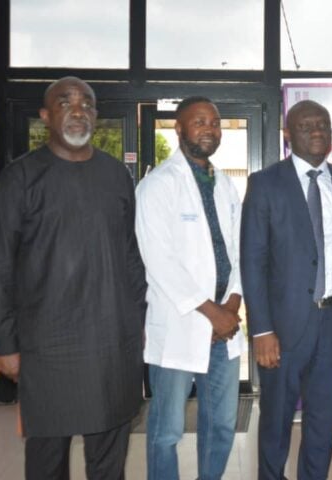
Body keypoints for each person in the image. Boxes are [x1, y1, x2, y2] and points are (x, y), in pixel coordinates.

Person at [0, 76, 146, 479]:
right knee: (47, 460)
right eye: (66, 103)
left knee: (109, 459)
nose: (79, 111)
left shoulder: (115, 175)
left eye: (88, 104)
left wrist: (137, 322)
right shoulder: (20, 178)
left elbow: (130, 257)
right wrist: (5, 343)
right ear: (45, 116)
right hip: (47, 347)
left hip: (113, 341)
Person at [240, 99, 332, 480]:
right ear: (287, 134)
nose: (317, 131)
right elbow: (252, 261)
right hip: (282, 326)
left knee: (322, 425)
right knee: (275, 422)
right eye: (307, 126)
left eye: (323, 125)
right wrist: (260, 329)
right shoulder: (265, 183)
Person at [135, 96, 245, 480]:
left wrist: (231, 305)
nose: (209, 129)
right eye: (199, 122)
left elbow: (238, 250)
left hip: (224, 329)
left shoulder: (227, 186)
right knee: (166, 432)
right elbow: (159, 260)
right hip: (180, 327)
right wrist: (212, 312)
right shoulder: (158, 186)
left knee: (222, 424)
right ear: (179, 129)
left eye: (214, 123)